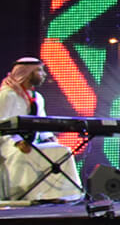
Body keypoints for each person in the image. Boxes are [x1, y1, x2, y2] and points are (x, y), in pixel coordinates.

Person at [0, 56, 82, 202]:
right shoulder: (7, 95)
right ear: (28, 73)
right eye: (39, 70)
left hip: (33, 143)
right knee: (28, 154)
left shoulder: (37, 97)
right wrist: (17, 142)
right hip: (8, 145)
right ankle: (27, 194)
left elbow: (42, 122)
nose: (44, 74)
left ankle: (62, 194)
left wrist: (48, 137)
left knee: (62, 150)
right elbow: (2, 125)